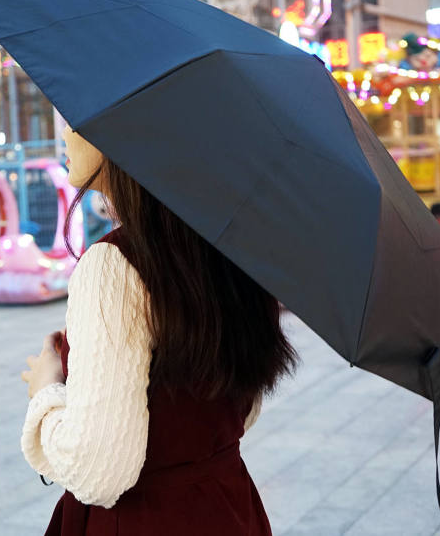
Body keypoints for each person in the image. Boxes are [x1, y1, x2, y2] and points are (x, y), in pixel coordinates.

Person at [20, 123, 298, 535]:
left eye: (75, 121)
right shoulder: (233, 246)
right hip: (228, 508)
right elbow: (235, 408)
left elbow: (100, 470)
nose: (64, 135)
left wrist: (46, 394)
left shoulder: (113, 265)